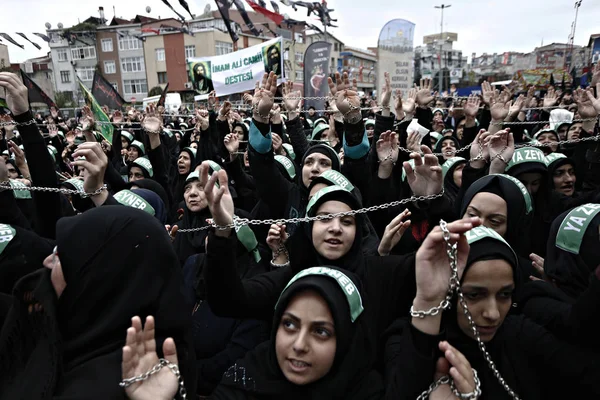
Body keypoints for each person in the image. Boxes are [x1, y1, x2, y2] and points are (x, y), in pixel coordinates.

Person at [0, 206, 196, 399]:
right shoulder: (50, 321)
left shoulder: (144, 380)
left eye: (61, 257)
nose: (47, 262)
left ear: (97, 281)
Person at [385, 224, 600, 399]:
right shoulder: (406, 340)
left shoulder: (519, 333)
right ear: (450, 292)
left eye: (504, 295)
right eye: (474, 295)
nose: (493, 313)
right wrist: (429, 301)